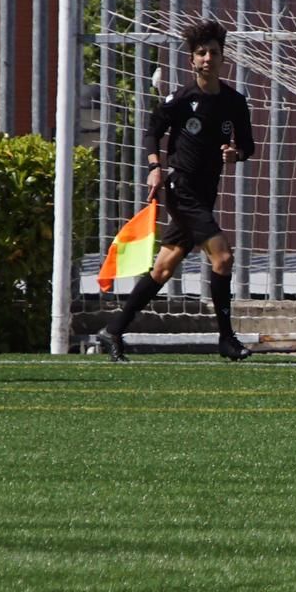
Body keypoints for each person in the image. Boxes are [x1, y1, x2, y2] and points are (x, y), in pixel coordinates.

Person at [99, 19, 256, 362]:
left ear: (222, 57)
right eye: (201, 53)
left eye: (213, 52)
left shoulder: (234, 102)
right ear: (192, 60)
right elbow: (152, 131)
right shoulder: (181, 99)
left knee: (164, 267)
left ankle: (112, 330)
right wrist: (155, 168)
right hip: (180, 188)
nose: (207, 58)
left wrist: (235, 154)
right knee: (223, 258)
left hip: (204, 192)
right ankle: (226, 339)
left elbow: (248, 146)